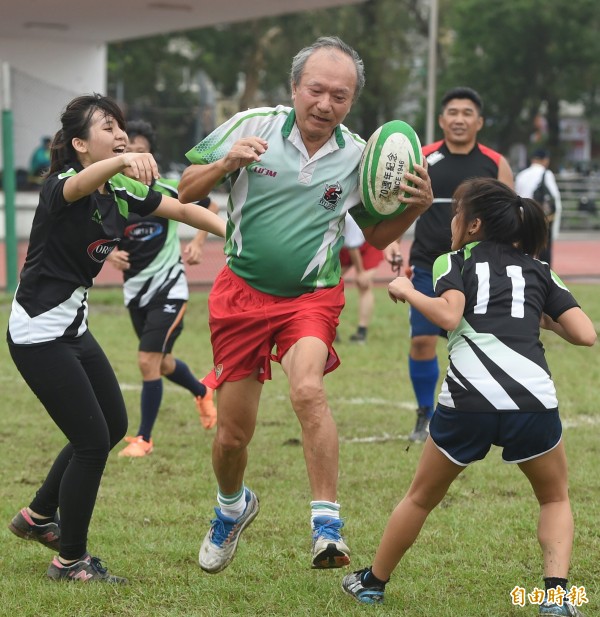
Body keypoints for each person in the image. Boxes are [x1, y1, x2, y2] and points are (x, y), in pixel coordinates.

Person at [177, 36, 434, 573]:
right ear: (295, 88)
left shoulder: (359, 156)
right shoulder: (254, 125)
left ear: (352, 102)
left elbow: (375, 230)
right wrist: (227, 162)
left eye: (339, 96)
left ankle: (326, 525)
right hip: (240, 294)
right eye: (316, 90)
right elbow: (184, 190)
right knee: (231, 436)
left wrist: (415, 209)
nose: (325, 103)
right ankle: (231, 507)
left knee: (309, 389)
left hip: (310, 297)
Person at [342, 178, 596, 616]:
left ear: (474, 225)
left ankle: (372, 583)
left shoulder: (452, 262)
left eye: (457, 214)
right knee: (554, 499)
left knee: (420, 497)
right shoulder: (539, 269)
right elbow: (586, 334)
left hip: (469, 400)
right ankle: (556, 599)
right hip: (531, 401)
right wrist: (542, 318)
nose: (452, 221)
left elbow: (449, 313)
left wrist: (407, 290)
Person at [6, 94, 225, 583]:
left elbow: (185, 211)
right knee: (89, 441)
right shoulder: (63, 185)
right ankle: (71, 561)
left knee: (111, 424)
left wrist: (234, 235)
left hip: (72, 329)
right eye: (108, 127)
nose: (120, 133)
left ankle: (39, 515)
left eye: (121, 126)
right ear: (80, 143)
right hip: (38, 334)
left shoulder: (121, 189)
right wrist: (124, 160)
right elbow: (81, 182)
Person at [385, 86, 514, 442]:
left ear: (479, 122)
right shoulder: (420, 158)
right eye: (453, 113)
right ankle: (425, 416)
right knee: (423, 343)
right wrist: (392, 244)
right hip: (429, 266)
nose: (459, 119)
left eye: (467, 113)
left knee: (480, 344)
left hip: (480, 270)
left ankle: (484, 413)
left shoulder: (495, 163)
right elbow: (394, 208)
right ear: (442, 120)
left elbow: (510, 219)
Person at [106, 119, 220, 458]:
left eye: (142, 152)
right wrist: (111, 252)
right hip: (135, 291)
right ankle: (201, 390)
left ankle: (144, 438)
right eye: (129, 152)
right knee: (164, 363)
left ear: (151, 155)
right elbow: (99, 231)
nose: (136, 159)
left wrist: (199, 243)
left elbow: (210, 206)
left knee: (147, 360)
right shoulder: (114, 192)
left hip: (169, 290)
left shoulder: (168, 188)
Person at [339, 212, 384, 343]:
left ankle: (361, 332)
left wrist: (361, 273)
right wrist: (360, 272)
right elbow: (352, 246)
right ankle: (329, 327)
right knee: (328, 284)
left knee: (364, 284)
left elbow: (354, 245)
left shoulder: (350, 215)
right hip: (344, 245)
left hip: (368, 243)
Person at [515, 148, 562, 266]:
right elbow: (555, 198)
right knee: (543, 249)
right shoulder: (546, 173)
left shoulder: (521, 175)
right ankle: (544, 278)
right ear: (545, 160)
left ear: (532, 159)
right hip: (540, 217)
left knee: (524, 249)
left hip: (523, 216)